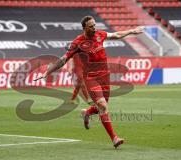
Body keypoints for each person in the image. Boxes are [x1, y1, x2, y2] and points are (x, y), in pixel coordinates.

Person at [35, 15, 144, 148]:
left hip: (105, 76)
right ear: (84, 28)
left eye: (94, 25)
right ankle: (114, 138)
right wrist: (48, 72)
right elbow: (64, 59)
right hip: (91, 77)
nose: (94, 28)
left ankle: (87, 112)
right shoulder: (78, 42)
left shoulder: (100, 34)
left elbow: (116, 35)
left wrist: (132, 31)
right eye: (91, 26)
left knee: (100, 108)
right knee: (103, 106)